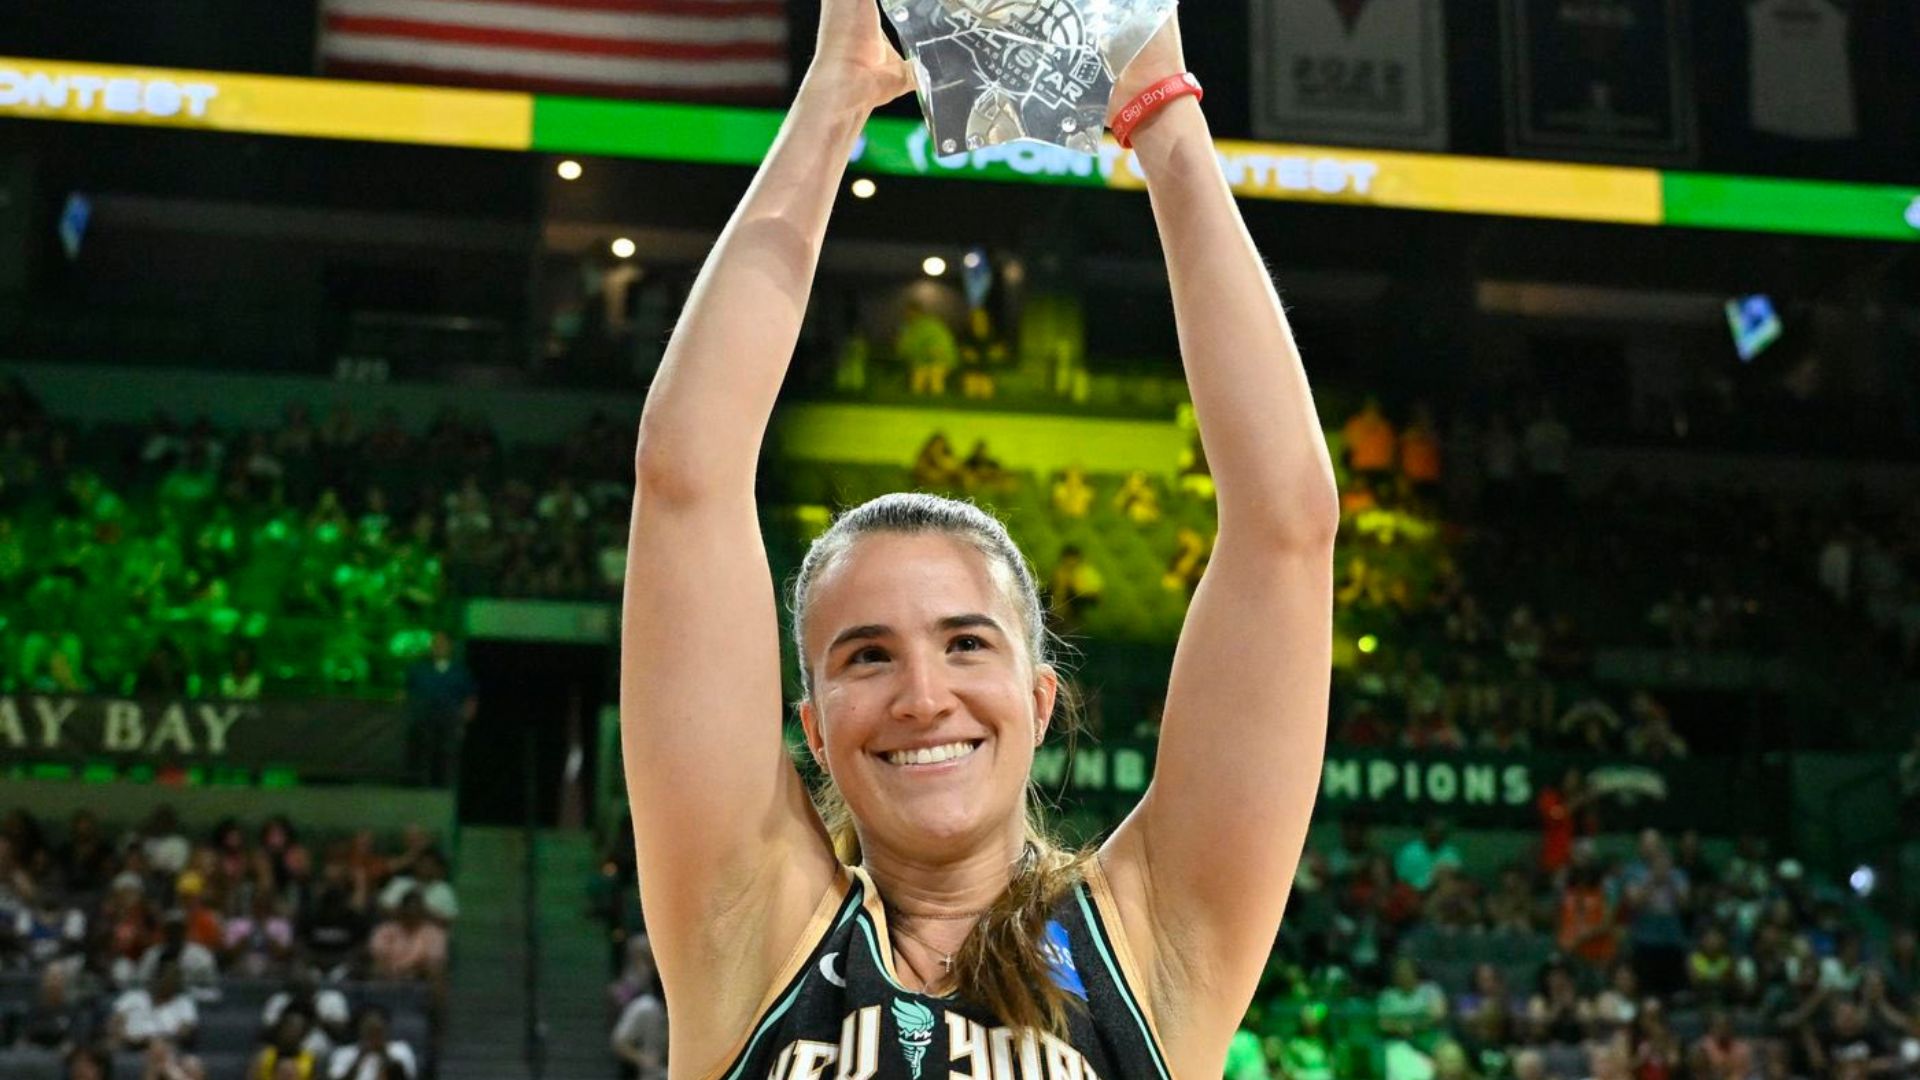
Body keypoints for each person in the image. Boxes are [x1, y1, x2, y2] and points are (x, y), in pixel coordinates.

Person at [621, 4, 1336, 1074]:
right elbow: (688, 480)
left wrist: (1160, 110)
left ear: (1040, 699)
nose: (924, 696)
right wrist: (836, 91)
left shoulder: (1151, 948)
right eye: (867, 656)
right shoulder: (752, 934)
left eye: (965, 642)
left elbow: (1288, 528)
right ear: (813, 729)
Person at [402, 631, 477, 786]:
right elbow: (405, 692)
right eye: (435, 644)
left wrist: (466, 718)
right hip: (423, 718)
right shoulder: (418, 669)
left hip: (449, 719)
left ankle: (441, 783)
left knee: (445, 751)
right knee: (420, 750)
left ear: (450, 647)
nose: (439, 647)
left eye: (443, 643)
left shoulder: (460, 671)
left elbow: (470, 697)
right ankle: (416, 782)